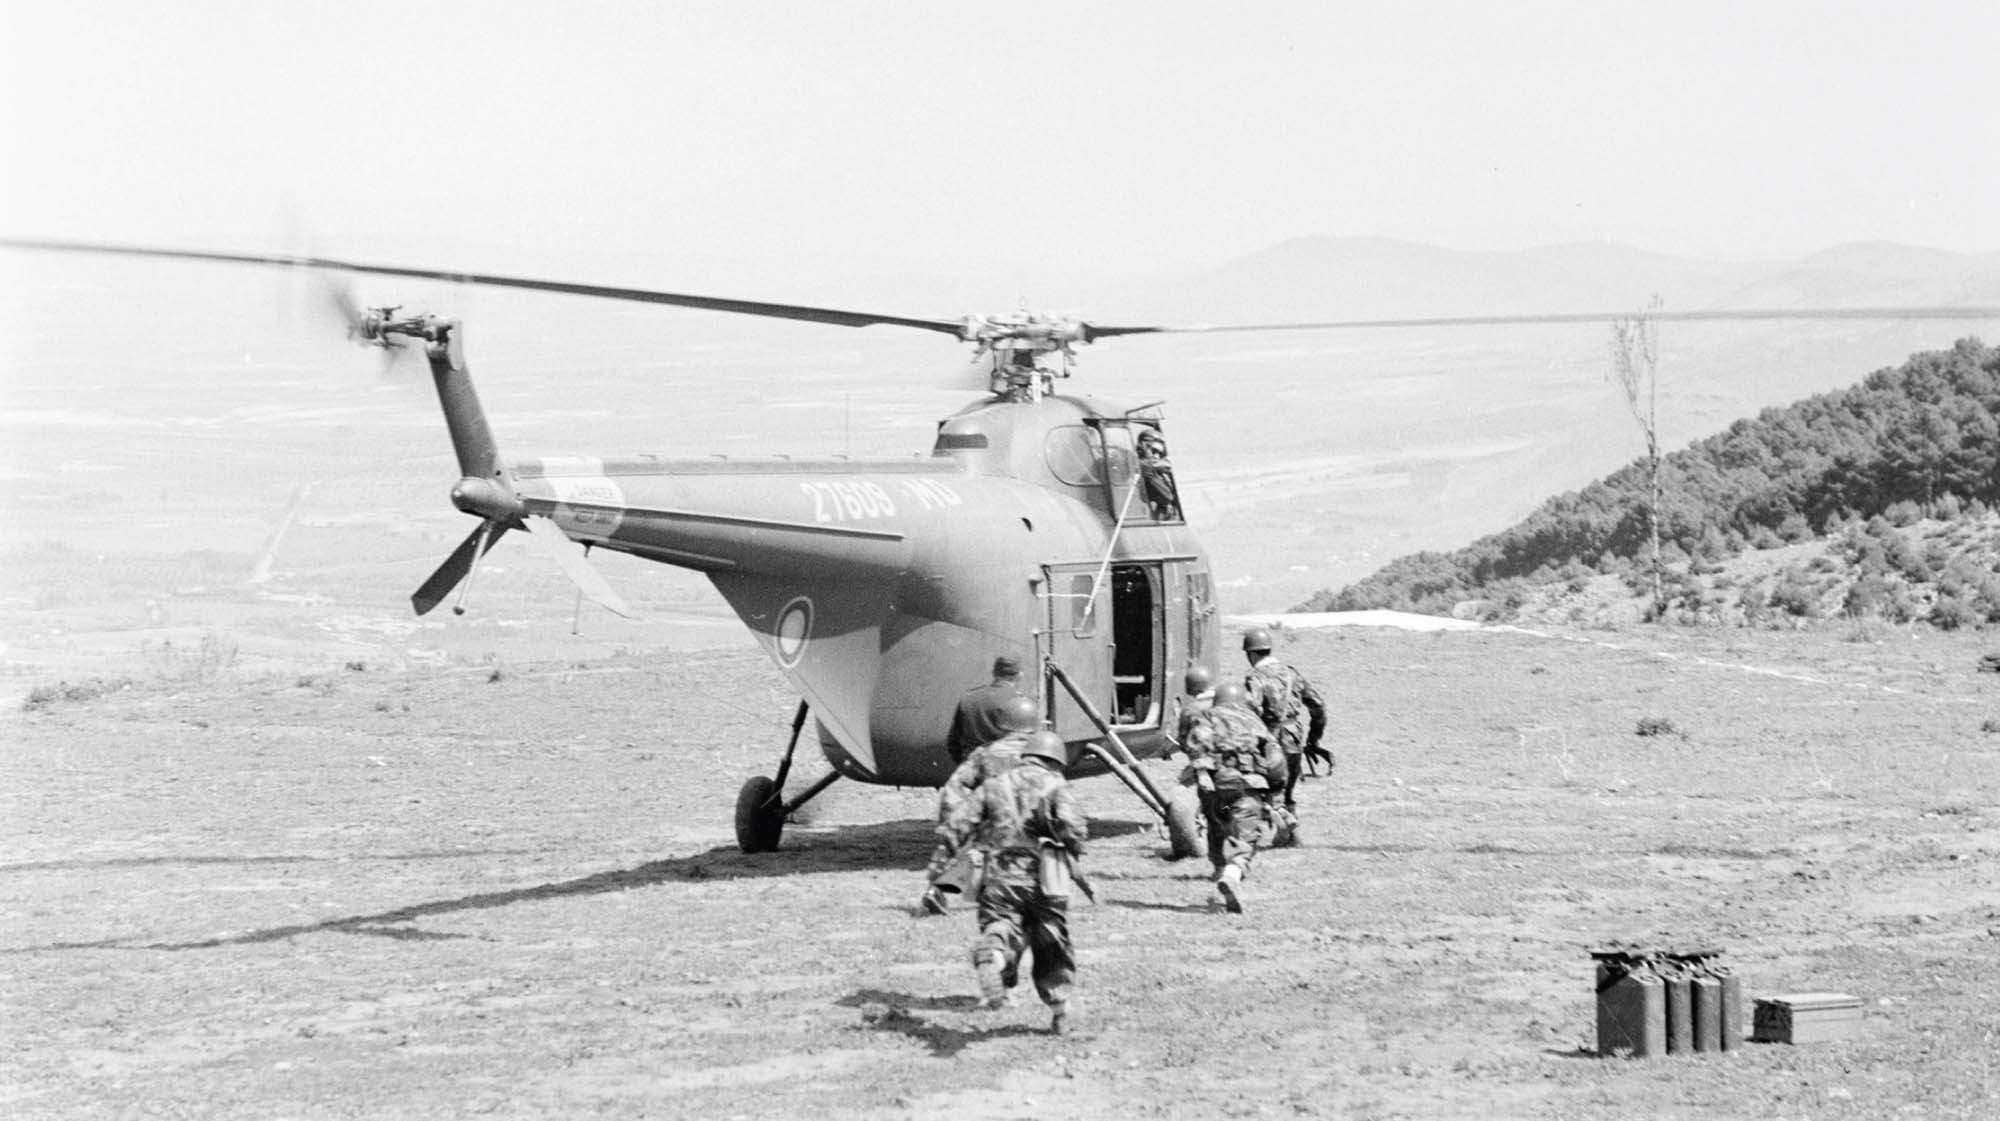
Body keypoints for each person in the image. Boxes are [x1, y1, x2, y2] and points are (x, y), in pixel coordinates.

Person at [935, 729, 1089, 1034]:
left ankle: (992, 953)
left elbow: (957, 824)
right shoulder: (1056, 785)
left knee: (1003, 926)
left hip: (997, 875)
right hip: (1044, 877)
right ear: (1056, 760)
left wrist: (938, 871)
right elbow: (1075, 830)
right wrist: (1072, 846)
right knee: (1051, 941)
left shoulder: (994, 785)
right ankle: (1061, 1011)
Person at [920, 693, 1040, 916]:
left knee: (966, 846)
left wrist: (953, 820)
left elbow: (955, 787)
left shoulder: (984, 754)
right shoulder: (1040, 754)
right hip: (1028, 826)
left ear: (1004, 724)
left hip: (990, 820)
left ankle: (936, 890)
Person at [1180, 681, 1284, 913]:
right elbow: (1276, 759)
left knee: (1217, 830)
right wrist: (1276, 792)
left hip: (1215, 784)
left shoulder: (1206, 716)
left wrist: (1202, 772)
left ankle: (1218, 877)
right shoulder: (1254, 721)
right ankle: (1231, 874)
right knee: (1247, 837)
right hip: (1247, 784)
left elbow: (1196, 743)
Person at [1241, 627, 1328, 813]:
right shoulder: (1291, 673)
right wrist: (1314, 739)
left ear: (1251, 654)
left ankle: (1267, 825)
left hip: (1268, 740)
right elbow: (1318, 705)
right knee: (1287, 791)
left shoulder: (1254, 677)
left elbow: (1251, 709)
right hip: (1293, 737)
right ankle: (1289, 831)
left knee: (1264, 788)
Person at [946, 655, 1027, 766]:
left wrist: (967, 765)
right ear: (1019, 676)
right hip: (1007, 774)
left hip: (972, 771)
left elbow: (953, 742)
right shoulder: (1021, 704)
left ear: (994, 673)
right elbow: (1029, 745)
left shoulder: (968, 698)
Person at [1135, 426, 1181, 521]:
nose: (1156, 456)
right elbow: (1166, 497)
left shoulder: (1162, 473)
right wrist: (1152, 466)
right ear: (1142, 447)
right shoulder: (1137, 466)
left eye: (1160, 454)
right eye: (1153, 451)